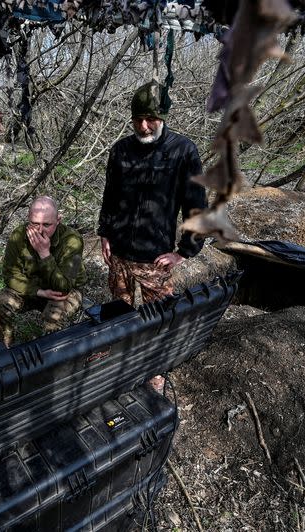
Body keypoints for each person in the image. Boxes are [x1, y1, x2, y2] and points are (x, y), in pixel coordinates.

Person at [98, 81, 207, 393]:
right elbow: (110, 195)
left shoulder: (182, 151)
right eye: (137, 120)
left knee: (157, 318)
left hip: (154, 256)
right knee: (120, 312)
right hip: (118, 253)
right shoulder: (121, 150)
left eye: (151, 119)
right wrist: (105, 232)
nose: (143, 126)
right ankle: (119, 364)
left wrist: (184, 252)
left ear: (163, 118)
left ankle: (154, 373)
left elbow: (196, 205)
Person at [0, 196, 86, 346]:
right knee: (0, 302)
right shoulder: (18, 236)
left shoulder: (72, 240)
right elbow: (10, 275)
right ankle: (5, 350)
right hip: (33, 288)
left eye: (47, 225)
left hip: (64, 291)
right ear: (28, 219)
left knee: (53, 317)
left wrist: (44, 254)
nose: (40, 230)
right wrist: (38, 292)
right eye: (34, 224)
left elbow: (64, 287)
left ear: (58, 221)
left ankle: (51, 355)